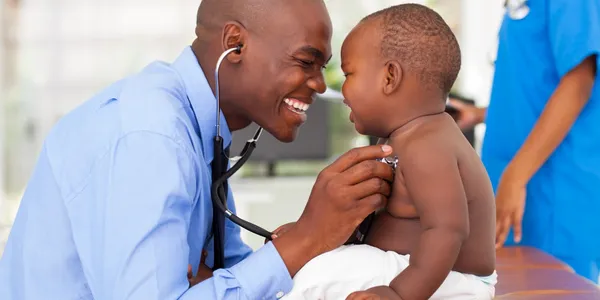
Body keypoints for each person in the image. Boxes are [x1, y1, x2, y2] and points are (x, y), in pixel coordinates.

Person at [0, 0, 396, 299]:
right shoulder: (151, 138)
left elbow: (232, 272)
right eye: (306, 62)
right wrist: (308, 236)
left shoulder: (201, 130)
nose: (319, 84)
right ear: (235, 45)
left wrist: (319, 238)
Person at [271, 4, 497, 300]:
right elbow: (373, 218)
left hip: (446, 280)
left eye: (349, 73)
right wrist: (311, 238)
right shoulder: (399, 139)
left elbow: (448, 231)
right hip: (414, 270)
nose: (339, 89)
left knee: (311, 280)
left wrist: (399, 293)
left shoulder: (428, 145)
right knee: (305, 266)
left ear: (390, 77)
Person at [449, 0, 600, 282]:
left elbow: (578, 82)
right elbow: (535, 85)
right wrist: (481, 114)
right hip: (518, 187)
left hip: (553, 192)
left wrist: (515, 177)